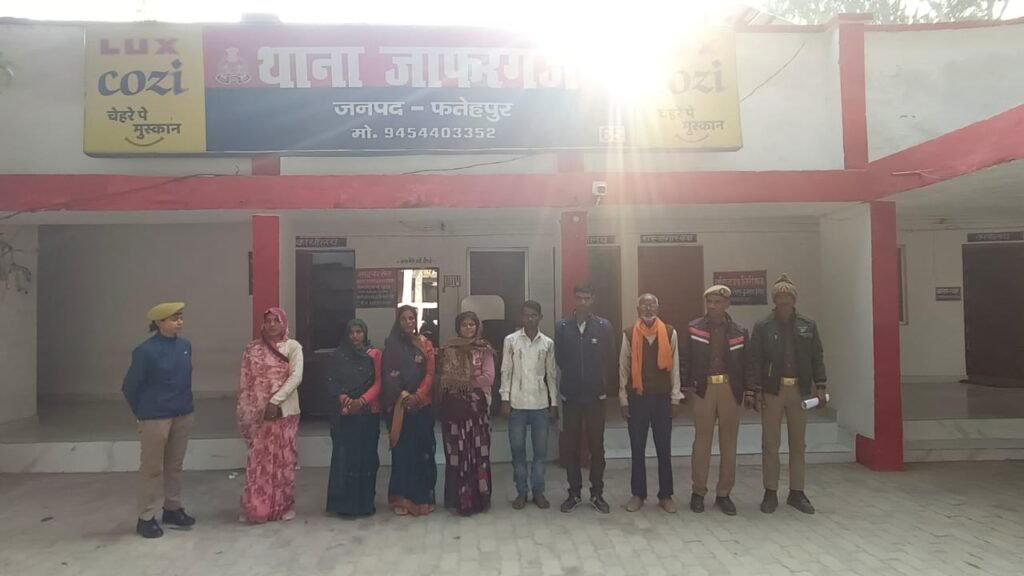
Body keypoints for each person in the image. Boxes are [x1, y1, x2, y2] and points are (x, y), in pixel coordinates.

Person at [749, 274, 828, 515]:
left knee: (798, 443)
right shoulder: (763, 326)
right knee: (770, 443)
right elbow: (754, 360)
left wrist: (821, 386)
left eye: (787, 296)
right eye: (779, 296)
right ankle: (770, 491)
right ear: (774, 300)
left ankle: (797, 492)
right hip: (772, 391)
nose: (783, 300)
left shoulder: (808, 325)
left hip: (799, 391)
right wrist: (756, 390)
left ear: (794, 299)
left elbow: (817, 356)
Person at [121, 302, 196, 539]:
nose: (179, 322)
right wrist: (143, 413)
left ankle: (173, 507)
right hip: (155, 416)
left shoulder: (185, 346)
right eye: (174, 318)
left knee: (175, 465)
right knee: (152, 468)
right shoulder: (145, 351)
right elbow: (130, 386)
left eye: (181, 317)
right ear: (159, 323)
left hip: (183, 412)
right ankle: (145, 517)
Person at [680, 285, 753, 516]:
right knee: (701, 443)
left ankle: (724, 493)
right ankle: (698, 492)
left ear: (727, 304)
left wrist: (750, 391)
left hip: (730, 389)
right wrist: (684, 388)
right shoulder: (694, 328)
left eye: (717, 302)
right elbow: (685, 359)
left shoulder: (740, 331)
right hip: (704, 390)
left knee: (729, 444)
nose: (712, 306)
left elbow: (747, 364)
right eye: (709, 302)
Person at [237, 307, 304, 524]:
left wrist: (275, 401)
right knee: (259, 463)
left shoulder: (293, 346)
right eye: (268, 321)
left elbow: (296, 377)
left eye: (276, 320)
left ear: (284, 323)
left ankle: (283, 506)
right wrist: (251, 408)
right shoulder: (252, 349)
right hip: (258, 414)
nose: (272, 325)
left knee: (283, 462)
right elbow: (246, 381)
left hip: (285, 412)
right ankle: (257, 507)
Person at [619, 293, 682, 514]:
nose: (648, 309)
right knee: (637, 448)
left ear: (658, 308)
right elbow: (623, 367)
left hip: (662, 399)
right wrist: (623, 398)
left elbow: (675, 367)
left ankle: (666, 495)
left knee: (664, 448)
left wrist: (675, 397)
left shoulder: (670, 332)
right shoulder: (629, 333)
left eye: (652, 305)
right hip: (637, 398)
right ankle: (638, 494)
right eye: (644, 305)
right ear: (638, 309)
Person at [554, 283, 614, 514]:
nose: (583, 302)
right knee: (571, 446)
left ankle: (597, 493)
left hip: (596, 396)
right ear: (574, 299)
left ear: (593, 299)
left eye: (587, 298)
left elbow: (609, 358)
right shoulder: (562, 326)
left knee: (597, 447)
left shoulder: (604, 326)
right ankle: (574, 493)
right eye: (579, 298)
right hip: (571, 395)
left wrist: (600, 383)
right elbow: (560, 358)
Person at [500, 301, 559, 510]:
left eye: (534, 315)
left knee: (540, 452)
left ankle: (538, 491)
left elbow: (551, 375)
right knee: (518, 452)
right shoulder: (511, 340)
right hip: (517, 404)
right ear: (521, 317)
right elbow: (506, 371)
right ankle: (522, 492)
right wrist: (505, 399)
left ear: (540, 317)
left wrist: (554, 403)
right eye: (526, 315)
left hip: (540, 404)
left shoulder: (547, 343)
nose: (530, 319)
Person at [437, 311, 496, 515]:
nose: (469, 328)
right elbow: (442, 379)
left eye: (472, 324)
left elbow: (488, 378)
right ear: (458, 327)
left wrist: (463, 383)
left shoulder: (485, 349)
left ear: (477, 327)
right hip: (453, 412)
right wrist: (465, 383)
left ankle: (478, 500)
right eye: (464, 324)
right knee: (456, 454)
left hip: (477, 411)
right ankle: (458, 499)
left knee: (478, 453)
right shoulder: (448, 349)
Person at [381, 305, 437, 516]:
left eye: (411, 318)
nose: (408, 322)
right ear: (398, 321)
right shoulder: (391, 346)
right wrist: (403, 395)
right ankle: (401, 499)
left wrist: (418, 396)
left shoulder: (425, 343)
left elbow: (430, 373)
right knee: (403, 453)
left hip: (422, 406)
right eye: (404, 318)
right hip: (400, 406)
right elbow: (389, 374)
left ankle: (424, 498)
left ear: (416, 320)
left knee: (423, 451)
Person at [325, 319, 383, 517]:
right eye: (351, 332)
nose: (355, 336)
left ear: (365, 334)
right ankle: (345, 505)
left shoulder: (374, 354)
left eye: (359, 332)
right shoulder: (338, 356)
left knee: (367, 458)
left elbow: (379, 382)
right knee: (345, 459)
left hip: (369, 413)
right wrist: (345, 400)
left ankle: (365, 504)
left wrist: (363, 400)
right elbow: (332, 381)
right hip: (345, 414)